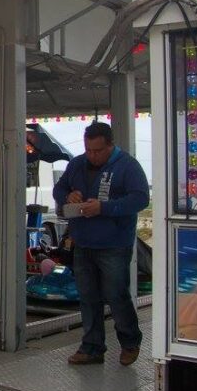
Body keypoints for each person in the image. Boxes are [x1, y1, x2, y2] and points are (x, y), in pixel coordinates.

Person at [53, 122, 148, 366]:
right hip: (83, 242)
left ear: (110, 146)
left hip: (114, 244)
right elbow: (60, 187)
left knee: (116, 295)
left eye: (97, 151)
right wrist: (67, 196)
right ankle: (92, 347)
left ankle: (130, 341)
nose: (92, 155)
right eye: (88, 150)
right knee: (88, 297)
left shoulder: (128, 166)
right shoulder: (76, 164)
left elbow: (140, 198)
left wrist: (104, 208)